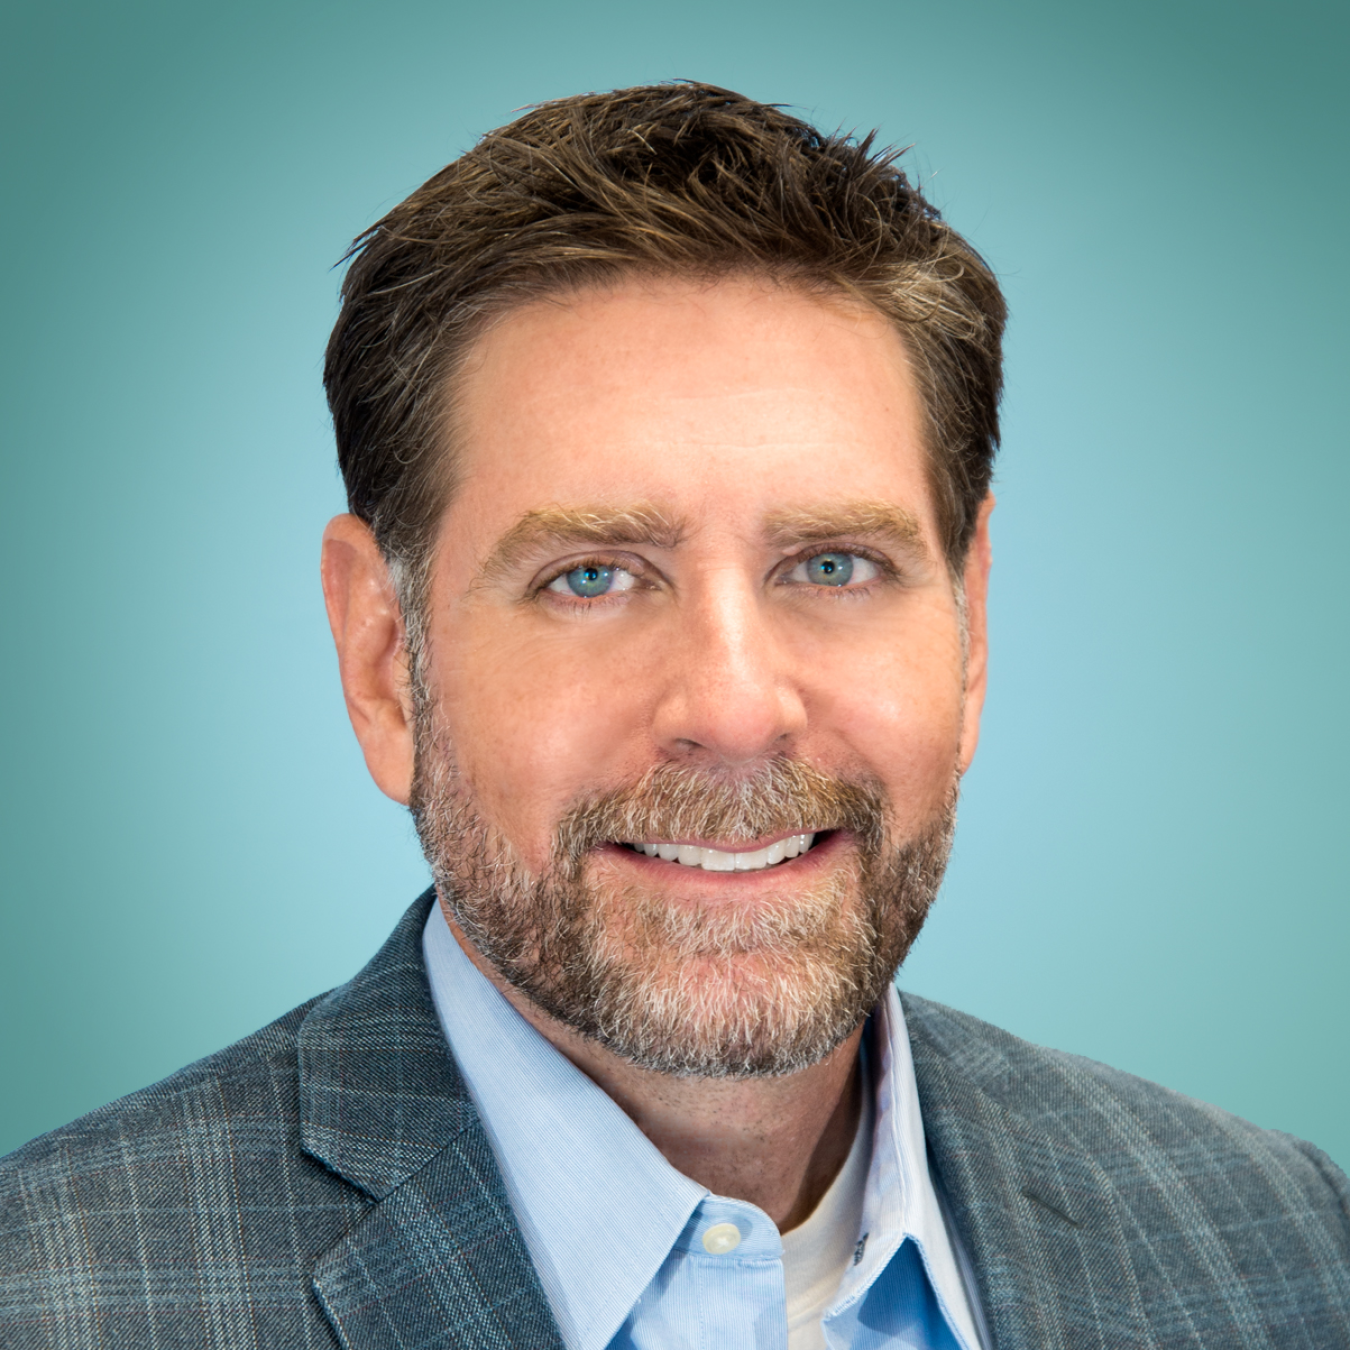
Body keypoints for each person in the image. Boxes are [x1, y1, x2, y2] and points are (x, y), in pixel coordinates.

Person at [1, 82, 1346, 1350]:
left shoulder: (1281, 1242)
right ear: (378, 659)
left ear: (970, 621)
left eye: (832, 565)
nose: (736, 707)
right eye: (591, 575)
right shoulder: (55, 1297)